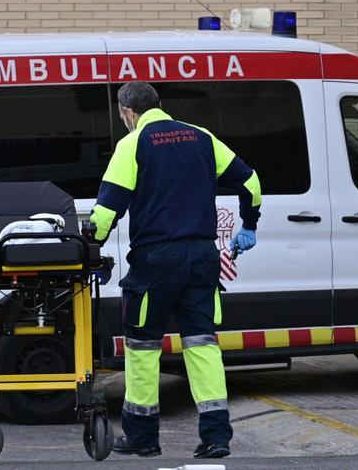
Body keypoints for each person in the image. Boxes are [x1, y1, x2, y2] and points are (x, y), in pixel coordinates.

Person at [89, 81, 261, 459]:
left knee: (143, 348)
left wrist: (90, 249)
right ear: (160, 105)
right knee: (202, 345)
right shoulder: (201, 137)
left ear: (126, 112)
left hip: (156, 261)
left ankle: (143, 437)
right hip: (202, 257)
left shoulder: (132, 144)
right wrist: (249, 225)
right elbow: (250, 181)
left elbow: (107, 210)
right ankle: (217, 437)